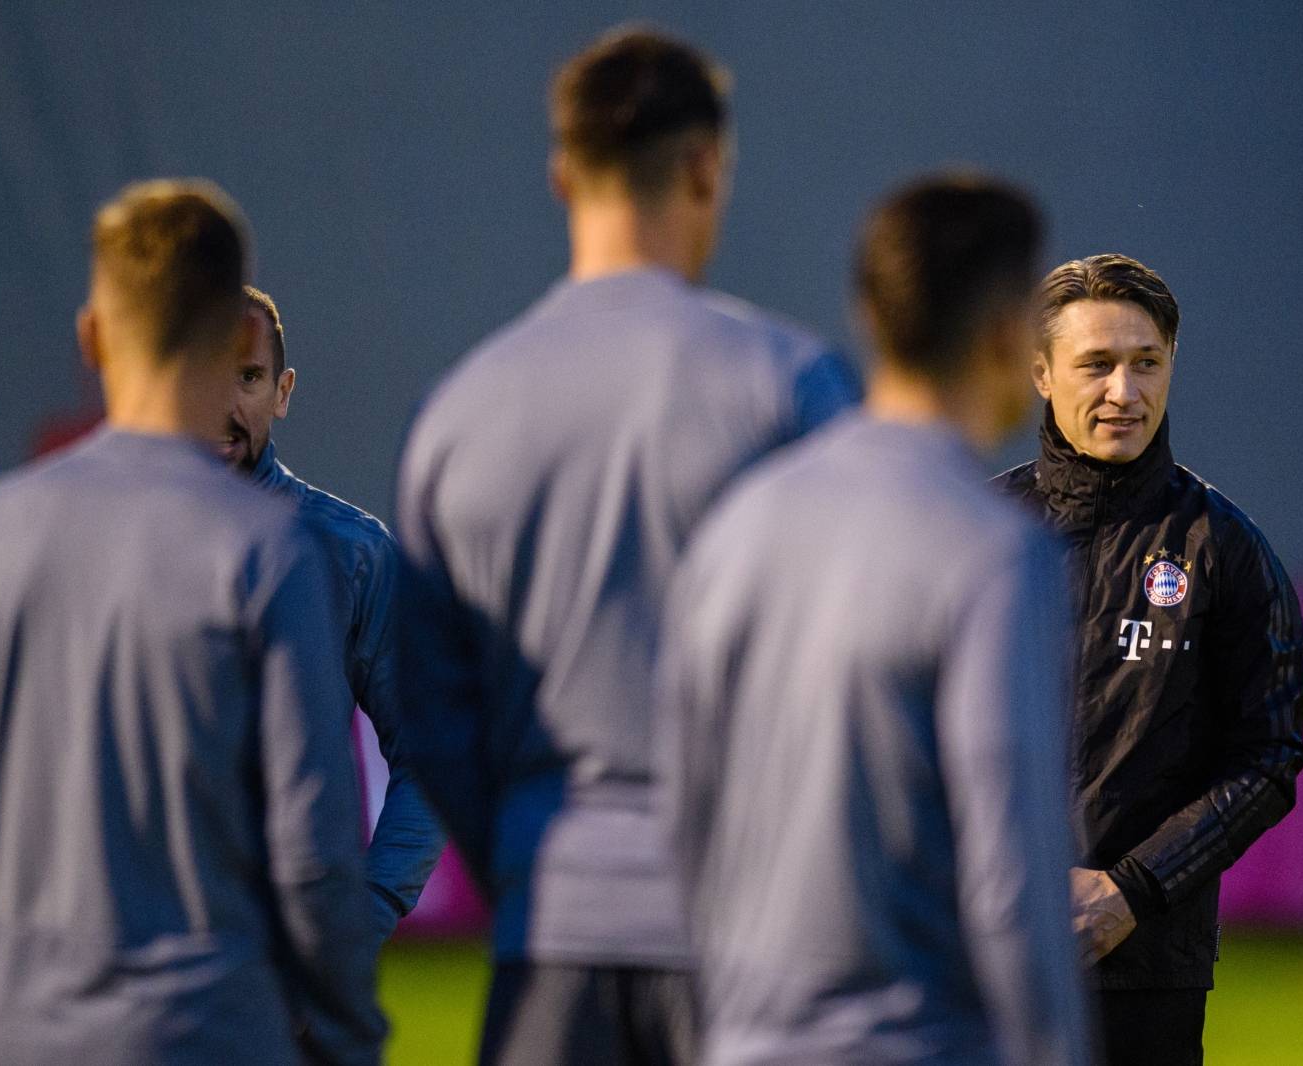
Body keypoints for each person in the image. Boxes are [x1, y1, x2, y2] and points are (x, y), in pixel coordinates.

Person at [393, 27, 860, 1066]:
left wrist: (529, 864)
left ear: (562, 174)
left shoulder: (457, 414)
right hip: (757, 951)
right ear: (703, 166)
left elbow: (432, 716)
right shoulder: (790, 389)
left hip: (550, 938)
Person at [659, 173, 1089, 1066]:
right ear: (1011, 334)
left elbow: (684, 816)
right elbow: (1012, 877)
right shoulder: (996, 554)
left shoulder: (739, 525)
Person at [0, 180, 383, 1065]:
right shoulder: (270, 553)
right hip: (209, 1032)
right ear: (241, 336)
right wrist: (350, 1033)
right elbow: (314, 853)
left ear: (91, 335)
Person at [993, 253, 1303, 1066]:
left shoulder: (1225, 550)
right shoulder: (972, 532)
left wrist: (1132, 890)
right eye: (1096, 365)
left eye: (1146, 364)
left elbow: (1269, 758)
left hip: (1145, 970)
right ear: (1039, 371)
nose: (1124, 394)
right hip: (983, 955)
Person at [222, 283, 445, 948]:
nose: (223, 404)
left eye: (248, 377)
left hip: (287, 972)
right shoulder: (109, 541)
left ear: (283, 391)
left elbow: (429, 755)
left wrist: (365, 914)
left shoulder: (351, 553)